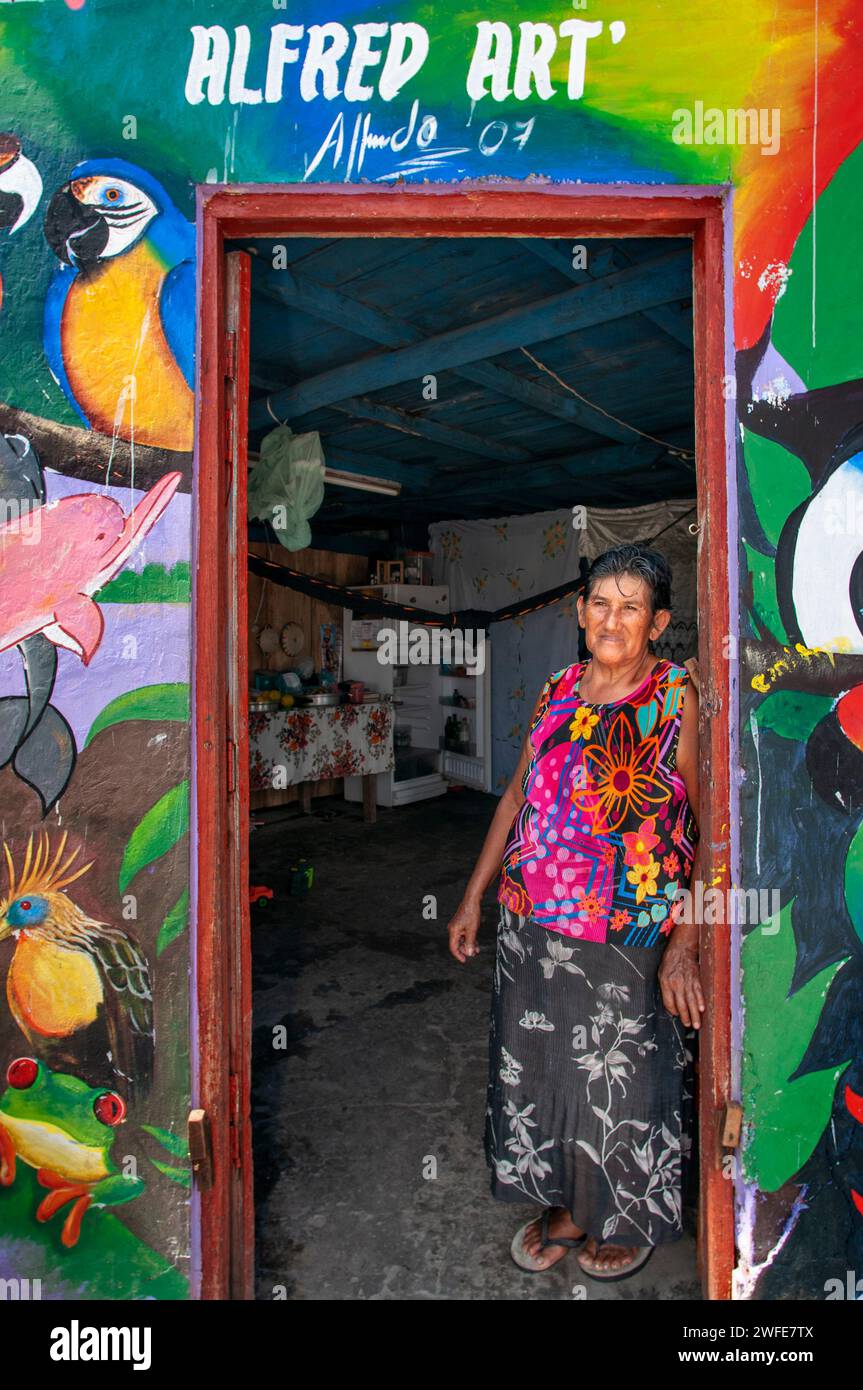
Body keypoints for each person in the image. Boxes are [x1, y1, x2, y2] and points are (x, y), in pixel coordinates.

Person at [447, 543, 704, 1281]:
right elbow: (515, 796)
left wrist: (687, 942)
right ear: (579, 610)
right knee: (545, 1073)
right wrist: (473, 898)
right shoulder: (557, 687)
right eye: (599, 602)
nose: (611, 618)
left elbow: (712, 824)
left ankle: (626, 1215)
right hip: (533, 924)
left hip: (627, 929)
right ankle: (568, 1206)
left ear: (656, 623)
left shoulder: (674, 698)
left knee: (623, 1078)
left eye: (631, 607)